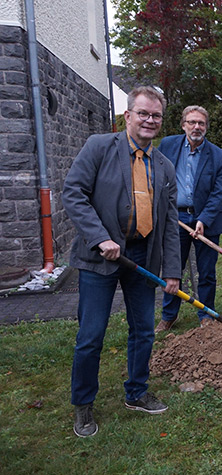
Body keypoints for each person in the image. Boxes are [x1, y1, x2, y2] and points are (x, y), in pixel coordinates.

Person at [62, 86, 181, 437]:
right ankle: (83, 404)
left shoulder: (164, 166)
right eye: (142, 113)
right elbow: (74, 193)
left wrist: (172, 271)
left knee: (143, 329)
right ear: (127, 116)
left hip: (142, 256)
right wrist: (100, 237)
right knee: (92, 334)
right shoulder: (99, 147)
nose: (149, 120)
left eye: (155, 115)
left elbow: (170, 223)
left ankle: (137, 392)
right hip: (100, 258)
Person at [156, 106, 222, 333]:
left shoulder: (219, 156)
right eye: (192, 122)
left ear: (206, 126)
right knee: (172, 268)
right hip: (175, 217)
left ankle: (206, 314)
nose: (196, 127)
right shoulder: (167, 146)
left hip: (206, 220)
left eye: (201, 123)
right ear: (183, 124)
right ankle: (169, 315)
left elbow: (218, 193)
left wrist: (203, 220)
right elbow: (156, 177)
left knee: (206, 272)